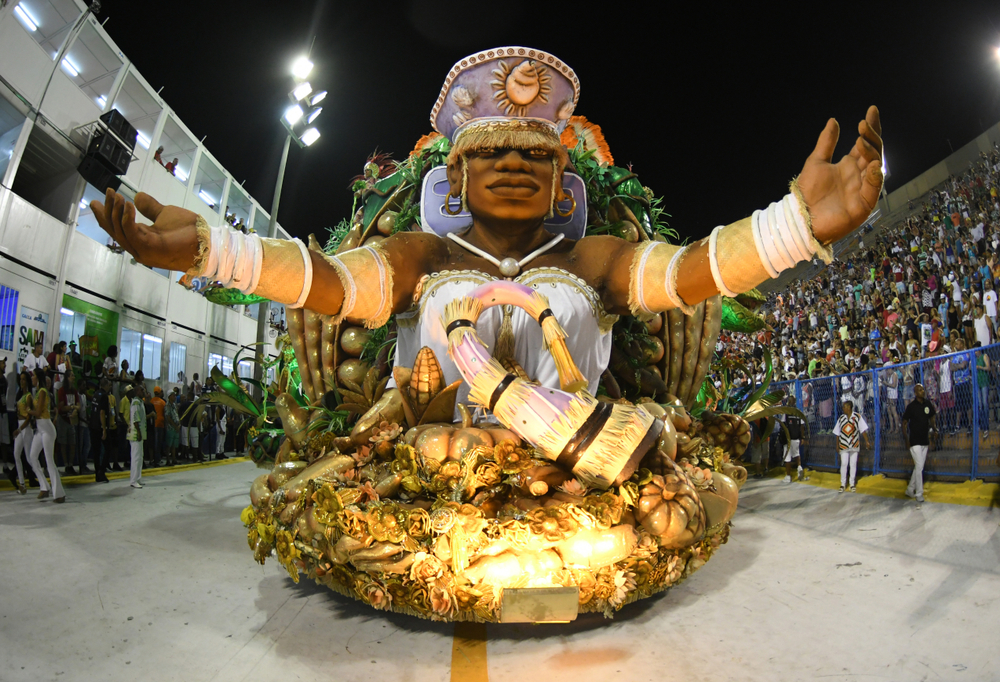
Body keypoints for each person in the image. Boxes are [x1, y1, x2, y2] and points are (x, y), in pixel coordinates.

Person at [88, 49, 884, 419]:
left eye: (534, 153)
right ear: (455, 179)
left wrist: (795, 226)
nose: (513, 161)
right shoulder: (420, 255)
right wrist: (208, 250)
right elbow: (321, 281)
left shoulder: (593, 258)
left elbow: (693, 272)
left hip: (574, 485)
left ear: (562, 178)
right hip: (432, 484)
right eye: (491, 151)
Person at [22, 369, 64, 502]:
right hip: (40, 429)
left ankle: (59, 494)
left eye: (33, 376)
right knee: (32, 457)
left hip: (46, 429)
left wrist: (28, 410)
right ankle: (44, 487)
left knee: (49, 461)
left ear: (38, 378)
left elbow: (39, 412)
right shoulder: (37, 392)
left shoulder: (42, 392)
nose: (32, 378)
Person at [902, 383, 936, 505]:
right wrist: (906, 439)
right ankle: (919, 493)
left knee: (918, 466)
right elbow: (904, 422)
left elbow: (932, 417)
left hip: (924, 440)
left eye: (923, 389)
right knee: (920, 465)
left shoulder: (927, 404)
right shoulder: (911, 407)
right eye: (920, 390)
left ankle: (910, 489)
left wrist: (934, 430)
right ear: (915, 393)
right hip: (914, 440)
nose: (923, 391)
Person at [832, 397, 870, 493]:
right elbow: (837, 433)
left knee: (853, 464)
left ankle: (852, 484)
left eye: (845, 407)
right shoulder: (841, 418)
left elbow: (863, 430)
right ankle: (842, 483)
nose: (843, 408)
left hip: (854, 444)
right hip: (843, 444)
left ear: (849, 408)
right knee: (844, 463)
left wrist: (867, 441)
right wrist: (837, 445)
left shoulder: (857, 417)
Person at [9, 371, 33, 494]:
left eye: (24, 379)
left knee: (29, 457)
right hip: (20, 426)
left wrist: (19, 429)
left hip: (26, 427)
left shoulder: (29, 396)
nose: (21, 381)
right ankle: (22, 485)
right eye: (21, 379)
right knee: (16, 454)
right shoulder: (20, 395)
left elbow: (29, 417)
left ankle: (43, 481)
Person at [778, 397, 808, 483]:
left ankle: (788, 476)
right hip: (796, 438)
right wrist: (802, 437)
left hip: (788, 439)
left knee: (787, 458)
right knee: (797, 454)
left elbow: (782, 425)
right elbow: (802, 426)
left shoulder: (786, 413)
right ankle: (799, 468)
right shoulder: (798, 412)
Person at [126, 383, 147, 488]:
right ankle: (133, 480)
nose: (143, 392)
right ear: (137, 391)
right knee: (135, 457)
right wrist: (138, 432)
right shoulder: (135, 403)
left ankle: (138, 478)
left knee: (140, 456)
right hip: (135, 434)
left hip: (140, 433)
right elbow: (135, 418)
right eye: (142, 390)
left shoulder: (140, 402)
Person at [90, 379, 110, 483]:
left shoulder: (95, 394)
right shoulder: (104, 396)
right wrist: (104, 429)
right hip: (99, 426)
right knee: (107, 449)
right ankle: (101, 472)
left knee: (96, 451)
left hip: (93, 425)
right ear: (106, 385)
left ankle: (97, 473)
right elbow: (102, 412)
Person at [151, 386, 167, 466]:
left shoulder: (151, 401)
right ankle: (157, 459)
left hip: (152, 424)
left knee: (153, 443)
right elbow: (165, 413)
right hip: (160, 424)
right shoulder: (162, 402)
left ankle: (153, 459)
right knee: (158, 443)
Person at [164, 391, 180, 466]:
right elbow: (168, 417)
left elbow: (176, 415)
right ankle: (168, 460)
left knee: (174, 445)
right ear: (169, 396)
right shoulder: (167, 405)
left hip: (176, 428)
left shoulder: (174, 405)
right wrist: (175, 425)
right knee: (169, 445)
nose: (175, 397)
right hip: (170, 428)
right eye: (173, 395)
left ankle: (174, 459)